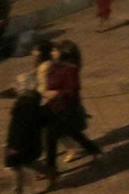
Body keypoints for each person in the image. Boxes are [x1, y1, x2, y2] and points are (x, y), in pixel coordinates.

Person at [41, 40, 101, 180]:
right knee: (73, 132)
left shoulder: (71, 69)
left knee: (52, 136)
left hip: (66, 108)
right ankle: (94, 150)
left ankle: (51, 169)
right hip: (54, 106)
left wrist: (56, 93)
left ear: (63, 53)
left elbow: (72, 90)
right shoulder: (55, 66)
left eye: (55, 51)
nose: (52, 53)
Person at [1, 79, 44, 194]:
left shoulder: (25, 106)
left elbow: (20, 128)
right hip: (22, 142)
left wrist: (13, 145)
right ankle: (50, 172)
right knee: (27, 163)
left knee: (17, 165)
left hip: (19, 143)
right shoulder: (31, 103)